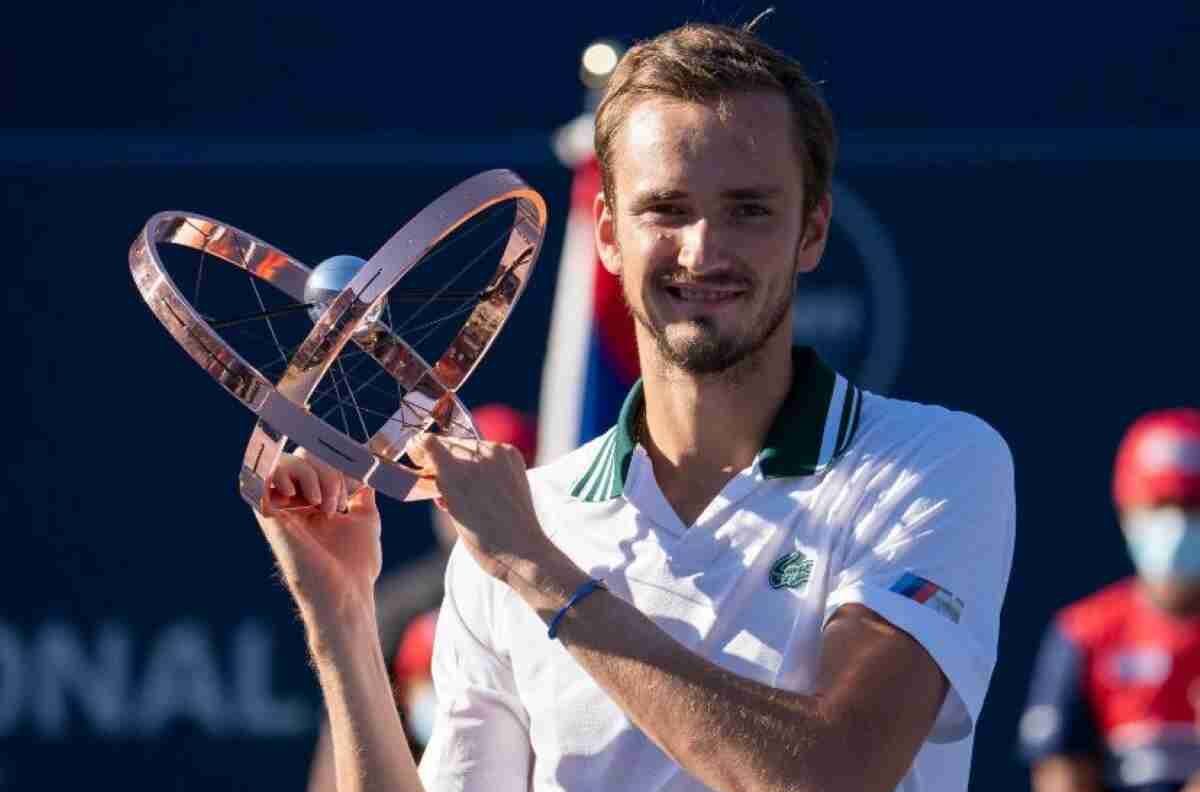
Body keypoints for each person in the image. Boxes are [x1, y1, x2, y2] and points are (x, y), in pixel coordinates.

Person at [255, 19, 1015, 792]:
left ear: (812, 229)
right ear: (610, 235)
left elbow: (833, 777)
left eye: (749, 209)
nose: (703, 250)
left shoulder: (935, 464)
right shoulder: (522, 524)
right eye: (667, 209)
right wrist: (342, 620)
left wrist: (537, 568)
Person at [306, 404, 537, 792]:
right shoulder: (396, 612)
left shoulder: (576, 600)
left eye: (490, 484)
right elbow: (342, 755)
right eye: (459, 484)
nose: (476, 504)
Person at [1020, 409, 1200, 792]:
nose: (1176, 527)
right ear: (1126, 511)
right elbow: (1059, 775)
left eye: (1191, 508)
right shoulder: (1085, 632)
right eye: (1157, 506)